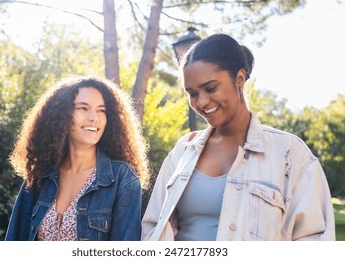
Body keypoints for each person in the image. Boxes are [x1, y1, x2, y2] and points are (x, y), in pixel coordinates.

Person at [141, 33, 335, 241]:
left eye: (210, 88)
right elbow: (154, 227)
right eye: (192, 93)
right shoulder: (183, 150)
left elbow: (315, 238)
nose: (202, 101)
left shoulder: (289, 153)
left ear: (240, 78)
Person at [5, 75, 149, 241]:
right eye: (83, 108)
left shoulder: (122, 179)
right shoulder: (41, 175)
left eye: (102, 110)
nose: (94, 117)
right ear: (62, 114)